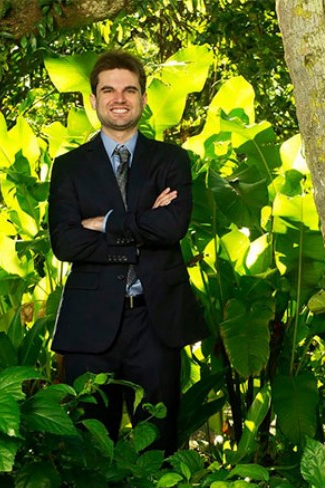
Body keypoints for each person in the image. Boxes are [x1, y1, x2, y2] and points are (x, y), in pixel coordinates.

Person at [47, 50, 208, 455]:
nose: (119, 99)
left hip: (155, 321)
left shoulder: (171, 161)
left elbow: (171, 227)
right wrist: (142, 224)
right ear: (93, 99)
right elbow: (65, 243)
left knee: (160, 447)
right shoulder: (69, 167)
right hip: (89, 325)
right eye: (109, 90)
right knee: (90, 450)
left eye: (129, 90)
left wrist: (104, 222)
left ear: (144, 98)